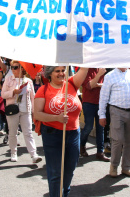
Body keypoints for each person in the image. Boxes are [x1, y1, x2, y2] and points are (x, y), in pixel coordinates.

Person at [34, 66, 88, 197]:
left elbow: (85, 69)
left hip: (74, 133)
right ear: (50, 74)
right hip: (52, 134)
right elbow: (37, 114)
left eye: (63, 70)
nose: (61, 73)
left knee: (69, 170)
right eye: (57, 71)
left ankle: (64, 193)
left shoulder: (72, 84)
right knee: (56, 172)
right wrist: (56, 118)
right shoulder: (43, 90)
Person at [98, 68, 130, 178]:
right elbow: (103, 97)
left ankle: (126, 168)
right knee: (118, 139)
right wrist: (102, 115)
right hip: (116, 111)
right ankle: (114, 167)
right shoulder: (110, 76)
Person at [1, 60, 42, 163]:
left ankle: (34, 155)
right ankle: (13, 152)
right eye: (12, 67)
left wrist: (34, 112)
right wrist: (13, 92)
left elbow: (33, 97)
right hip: (12, 110)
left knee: (28, 133)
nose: (13, 70)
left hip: (25, 110)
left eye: (15, 67)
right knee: (13, 132)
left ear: (22, 68)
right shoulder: (8, 79)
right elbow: (3, 94)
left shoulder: (28, 81)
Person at [80, 68, 110, 162]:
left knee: (101, 127)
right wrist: (98, 76)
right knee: (88, 127)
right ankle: (81, 144)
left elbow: (106, 86)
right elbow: (89, 86)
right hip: (88, 102)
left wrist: (97, 84)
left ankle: (100, 152)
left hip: (100, 103)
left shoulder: (102, 69)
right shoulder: (87, 69)